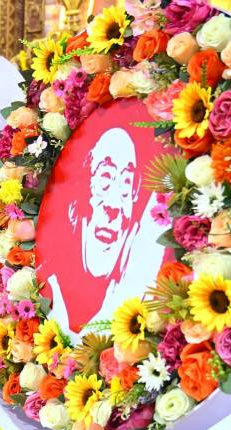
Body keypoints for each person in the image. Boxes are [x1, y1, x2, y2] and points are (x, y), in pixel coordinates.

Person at [36, 123, 165, 336]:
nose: (113, 205)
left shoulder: (141, 296)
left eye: (126, 184)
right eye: (105, 178)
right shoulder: (48, 291)